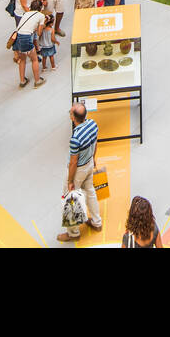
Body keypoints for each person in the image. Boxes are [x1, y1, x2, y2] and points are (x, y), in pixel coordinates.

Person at [57, 102, 103, 242]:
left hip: (79, 170)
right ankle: (96, 222)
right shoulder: (93, 124)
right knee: (90, 192)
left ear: (73, 118)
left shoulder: (75, 138)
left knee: (70, 199)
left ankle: (73, 233)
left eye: (70, 112)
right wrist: (93, 158)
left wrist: (70, 181)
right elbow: (95, 143)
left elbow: (73, 162)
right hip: (89, 163)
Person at [11, 0, 48, 88]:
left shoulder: (25, 14)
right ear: (40, 8)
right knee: (34, 59)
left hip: (18, 37)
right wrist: (42, 26)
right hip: (26, 38)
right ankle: (37, 81)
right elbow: (39, 33)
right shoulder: (41, 15)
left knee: (22, 59)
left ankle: (22, 81)